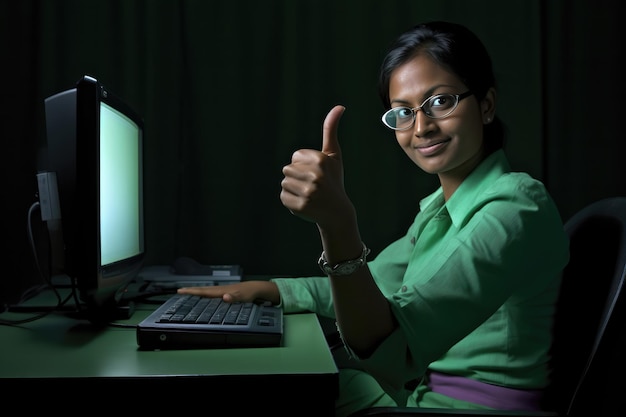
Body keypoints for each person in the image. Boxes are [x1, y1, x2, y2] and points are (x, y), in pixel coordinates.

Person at [179, 21, 569, 416]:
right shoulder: (437, 210)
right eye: (403, 112)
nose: (421, 127)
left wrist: (337, 223)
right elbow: (372, 289)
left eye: (440, 102)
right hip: (421, 397)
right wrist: (273, 290)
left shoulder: (516, 207)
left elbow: (387, 346)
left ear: (485, 105)